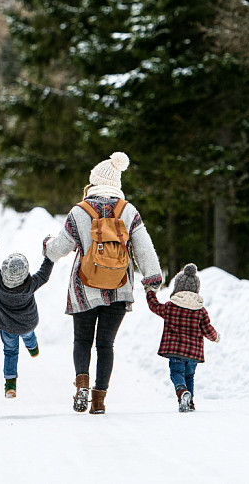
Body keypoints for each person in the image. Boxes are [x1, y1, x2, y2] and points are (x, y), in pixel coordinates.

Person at [43, 151, 163, 414]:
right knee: (105, 345)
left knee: (82, 341)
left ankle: (82, 385)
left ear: (94, 182)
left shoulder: (79, 211)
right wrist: (152, 281)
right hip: (120, 287)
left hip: (84, 288)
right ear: (117, 184)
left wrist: (46, 248)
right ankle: (99, 401)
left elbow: (59, 249)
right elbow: (144, 249)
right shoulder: (128, 211)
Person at [145, 263, 220, 412]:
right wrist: (215, 337)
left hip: (175, 351)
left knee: (176, 374)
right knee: (189, 376)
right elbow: (207, 329)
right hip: (193, 353)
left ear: (177, 287)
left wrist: (150, 292)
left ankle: (181, 392)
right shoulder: (201, 311)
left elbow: (154, 306)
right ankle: (189, 403)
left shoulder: (170, 307)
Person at [0, 252, 54, 398]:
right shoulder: (31, 284)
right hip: (27, 324)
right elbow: (44, 274)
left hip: (7, 327)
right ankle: (33, 348)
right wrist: (50, 256)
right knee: (29, 336)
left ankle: (10, 385)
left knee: (10, 351)